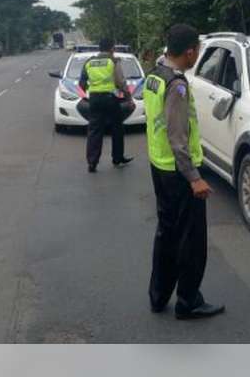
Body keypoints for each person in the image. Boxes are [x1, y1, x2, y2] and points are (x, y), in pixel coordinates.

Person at [144, 24, 225, 320]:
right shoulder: (177, 84)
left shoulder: (155, 75)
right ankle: (188, 301)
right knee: (191, 240)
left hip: (160, 166)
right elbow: (178, 137)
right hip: (179, 173)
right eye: (198, 51)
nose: (198, 56)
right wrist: (195, 178)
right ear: (190, 52)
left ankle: (158, 296)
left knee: (166, 234)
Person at [78, 37, 133, 173]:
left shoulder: (89, 62)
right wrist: (129, 99)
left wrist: (89, 91)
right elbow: (121, 82)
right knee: (117, 128)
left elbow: (82, 83)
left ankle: (92, 163)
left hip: (94, 99)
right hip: (110, 99)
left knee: (94, 131)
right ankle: (117, 158)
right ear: (112, 48)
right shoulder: (113, 61)